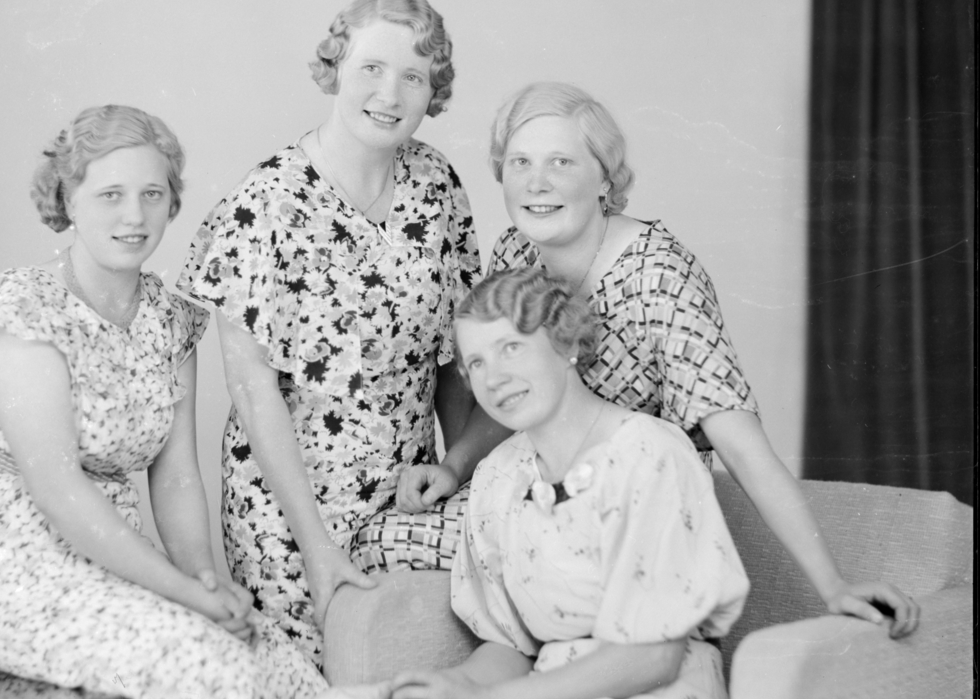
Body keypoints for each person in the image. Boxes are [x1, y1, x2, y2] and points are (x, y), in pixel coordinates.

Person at [353, 81, 920, 639]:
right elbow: (513, 389)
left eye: (561, 163)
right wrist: (454, 469)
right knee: (380, 539)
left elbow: (741, 444)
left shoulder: (660, 277)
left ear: (605, 178)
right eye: (520, 162)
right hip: (545, 498)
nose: (536, 183)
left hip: (635, 515)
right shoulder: (516, 251)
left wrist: (833, 585)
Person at [0, 105, 325, 699]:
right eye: (110, 194)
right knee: (205, 664)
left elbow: (175, 479)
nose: (134, 215)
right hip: (18, 575)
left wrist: (204, 581)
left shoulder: (170, 319)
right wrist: (185, 595)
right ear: (68, 199)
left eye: (152, 193)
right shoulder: (25, 309)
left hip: (120, 567)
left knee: (278, 661)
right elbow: (58, 491)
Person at [285, 269, 751, 699]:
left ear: (565, 343)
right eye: (476, 362)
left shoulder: (649, 454)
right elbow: (508, 645)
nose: (493, 378)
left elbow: (651, 659)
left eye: (510, 348)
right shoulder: (500, 476)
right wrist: (452, 689)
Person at [177, 0, 489, 667]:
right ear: (335, 66)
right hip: (290, 516)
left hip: (406, 502)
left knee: (403, 686)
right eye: (372, 68)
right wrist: (316, 549)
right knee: (310, 694)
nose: (390, 94)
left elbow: (453, 359)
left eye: (414, 76)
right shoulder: (265, 202)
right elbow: (253, 392)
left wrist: (460, 479)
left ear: (433, 90)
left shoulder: (436, 183)